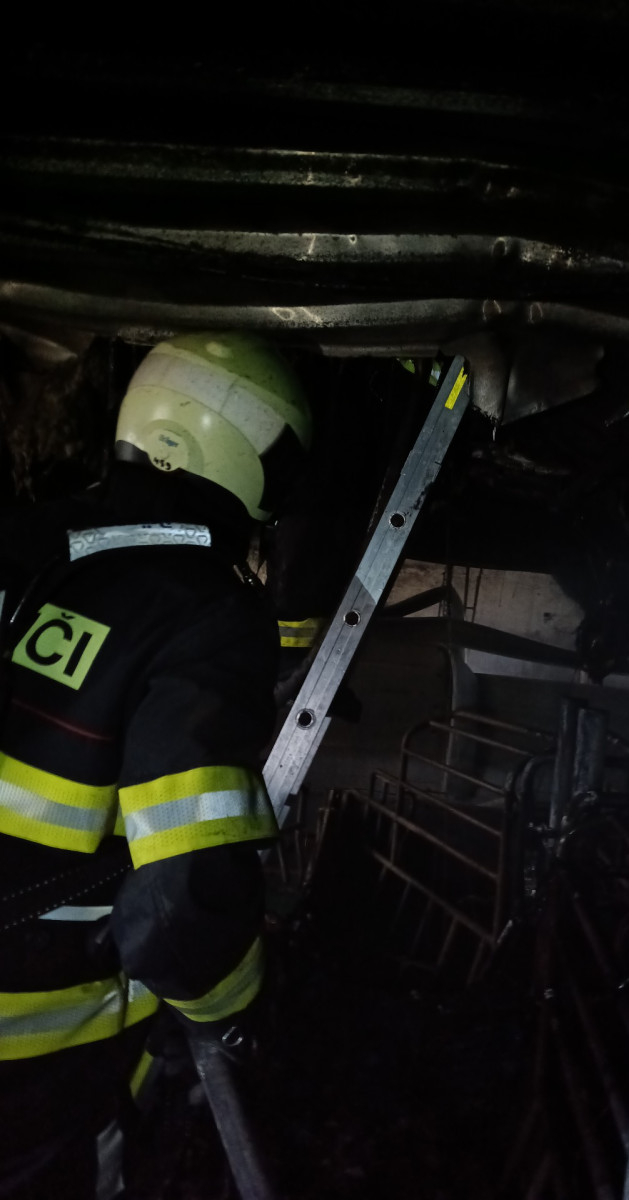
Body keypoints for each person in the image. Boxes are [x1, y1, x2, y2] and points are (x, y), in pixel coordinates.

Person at [0, 331, 312, 1198]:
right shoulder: (204, 609)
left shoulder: (24, 542)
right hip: (33, 1071)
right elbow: (177, 907)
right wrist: (238, 1011)